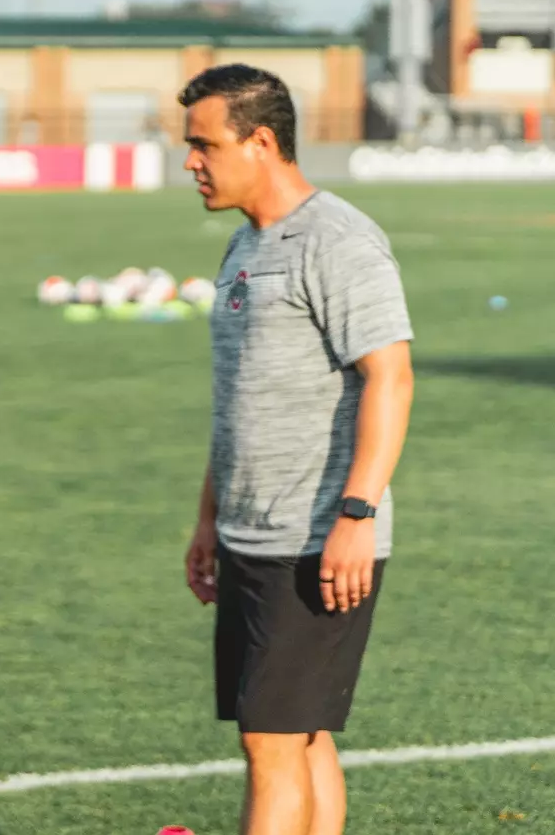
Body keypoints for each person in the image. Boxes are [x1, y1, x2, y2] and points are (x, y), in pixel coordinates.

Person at [179, 65, 415, 835]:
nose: (190, 161)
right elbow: (240, 402)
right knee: (301, 736)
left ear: (261, 141)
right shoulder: (245, 245)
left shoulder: (338, 241)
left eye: (204, 145)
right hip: (250, 534)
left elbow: (391, 377)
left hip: (314, 539)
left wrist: (356, 515)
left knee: (271, 742)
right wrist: (209, 521)